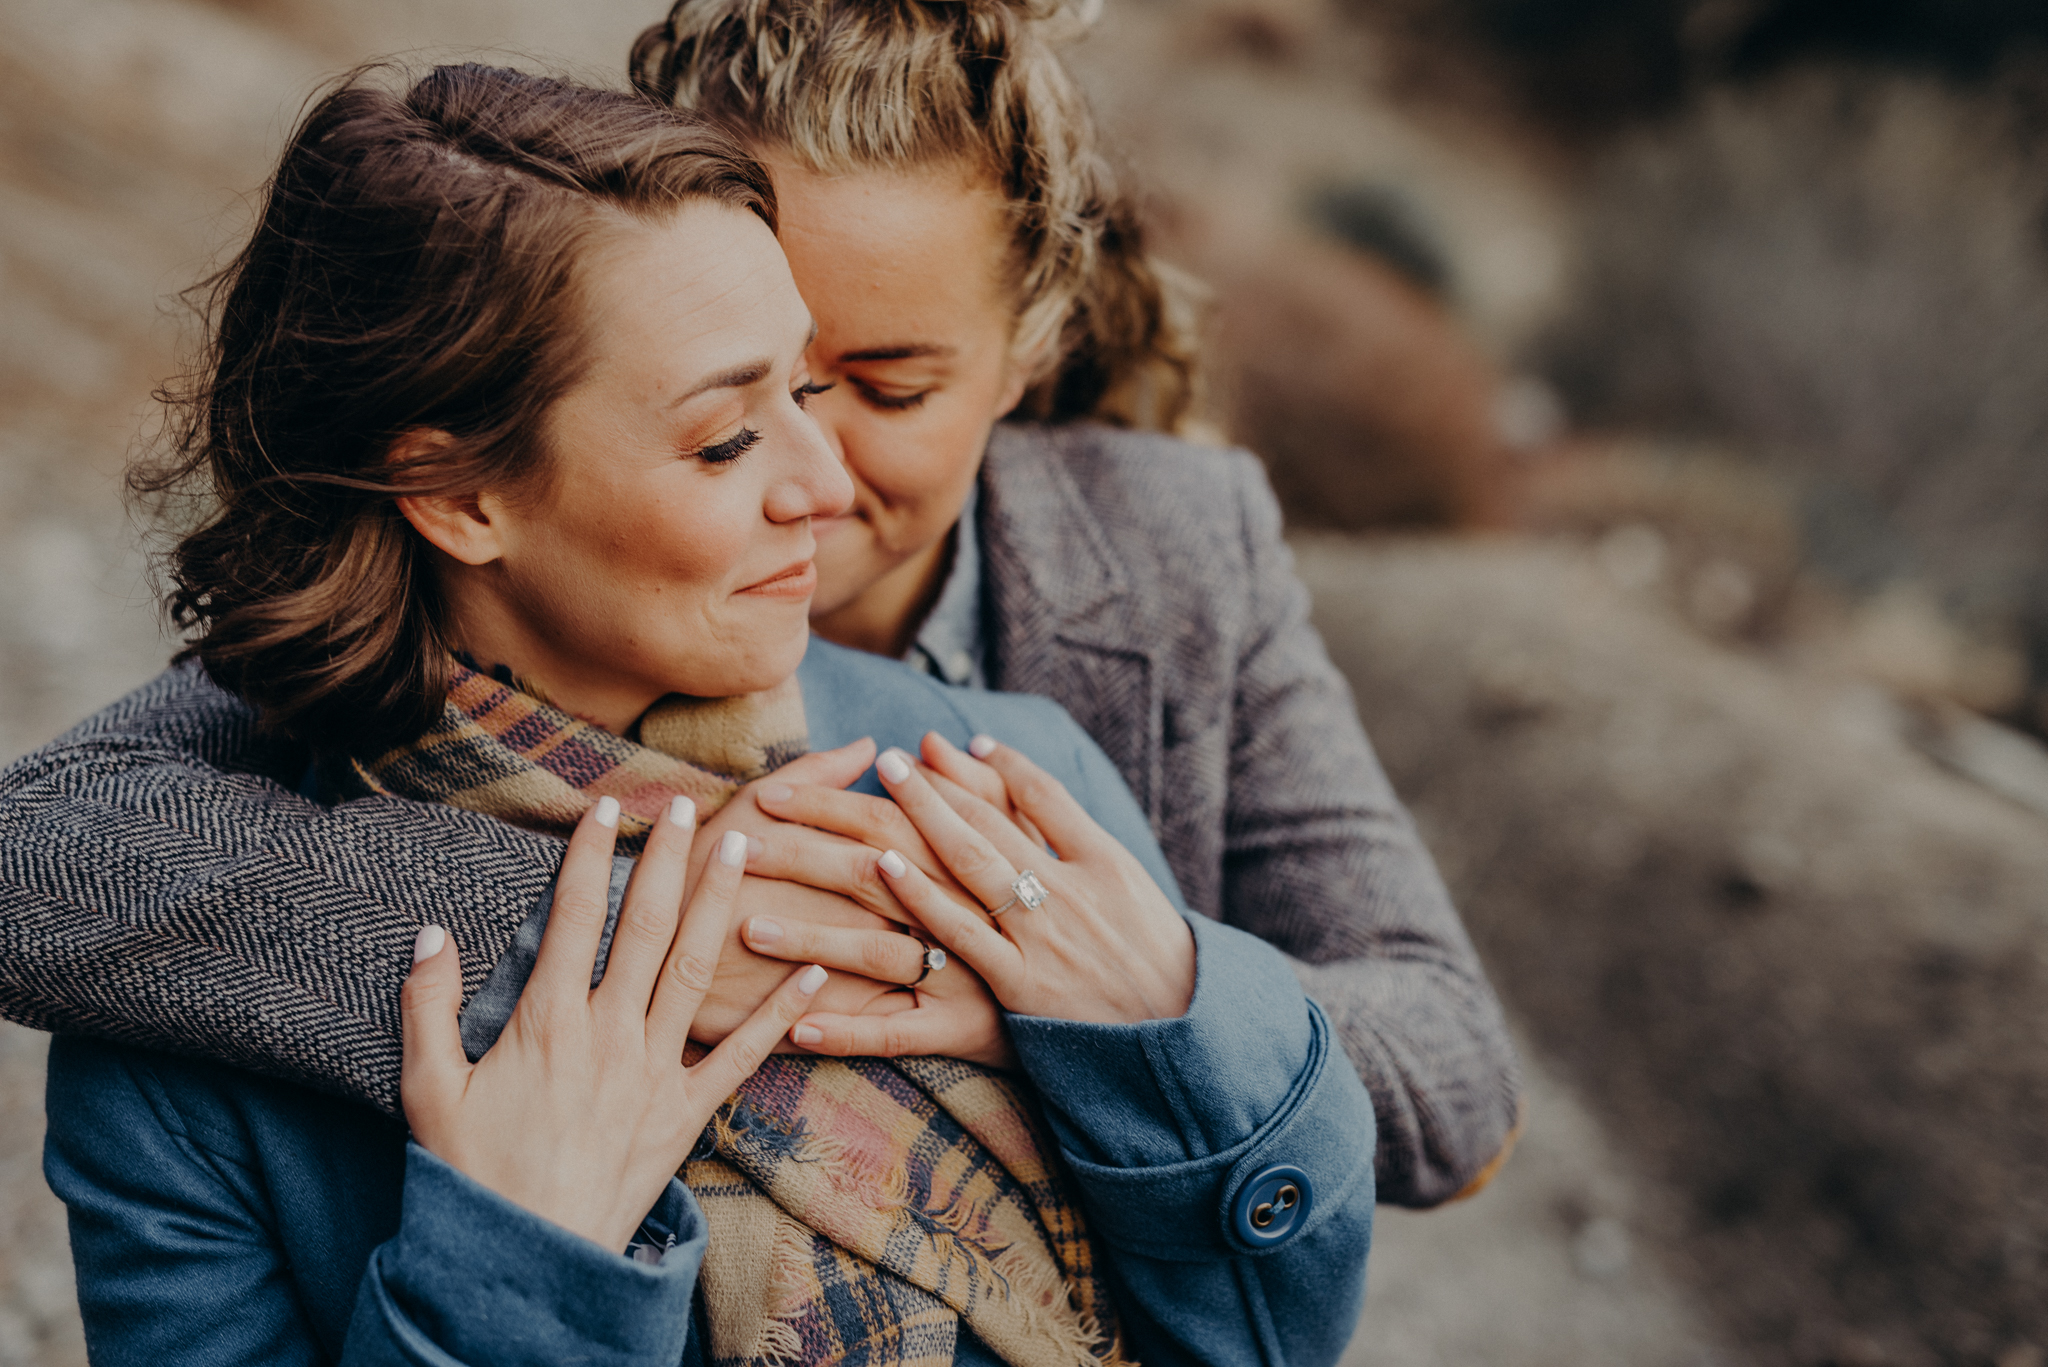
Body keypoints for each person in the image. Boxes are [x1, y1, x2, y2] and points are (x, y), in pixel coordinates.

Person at [0, 0, 1515, 1207]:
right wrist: (633, 941)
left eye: (890, 386)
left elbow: (1456, 1089)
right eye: (736, 391)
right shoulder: (471, 610)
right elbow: (44, 856)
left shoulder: (1179, 550)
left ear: (1029, 351)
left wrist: (1140, 1005)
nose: (816, 467)